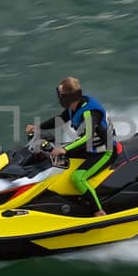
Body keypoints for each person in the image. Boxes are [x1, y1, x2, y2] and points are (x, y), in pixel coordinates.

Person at [25, 77, 117, 216]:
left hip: (104, 151)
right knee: (51, 158)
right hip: (89, 147)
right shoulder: (74, 106)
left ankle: (99, 211)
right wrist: (37, 127)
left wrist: (65, 149)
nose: (58, 97)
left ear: (67, 97)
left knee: (77, 178)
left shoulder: (89, 112)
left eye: (60, 94)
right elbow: (59, 120)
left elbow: (87, 137)